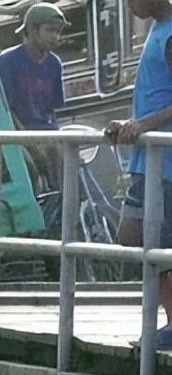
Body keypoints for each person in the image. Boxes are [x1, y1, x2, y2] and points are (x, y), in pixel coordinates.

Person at [106, 0, 172, 350]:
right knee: (138, 235)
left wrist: (143, 125)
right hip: (147, 157)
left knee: (152, 239)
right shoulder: (156, 29)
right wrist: (128, 124)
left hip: (166, 160)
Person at [0, 3, 67, 189]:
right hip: (14, 136)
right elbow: (4, 110)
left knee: (72, 174)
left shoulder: (54, 64)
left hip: (47, 134)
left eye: (58, 32)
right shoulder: (7, 61)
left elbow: (52, 110)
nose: (56, 37)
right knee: (31, 176)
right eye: (50, 30)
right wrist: (30, 145)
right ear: (33, 30)